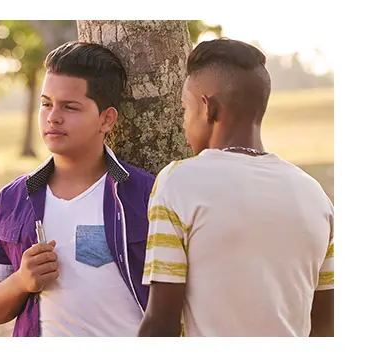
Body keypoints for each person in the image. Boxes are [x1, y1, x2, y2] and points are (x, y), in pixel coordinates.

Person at [138, 38, 334, 337]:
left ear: (208, 108)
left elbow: (160, 323)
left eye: (184, 108)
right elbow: (326, 326)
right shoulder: (315, 195)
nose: (184, 122)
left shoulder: (179, 182)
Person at [0, 41, 155, 337]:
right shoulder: (11, 201)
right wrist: (20, 281)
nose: (53, 117)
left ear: (106, 119)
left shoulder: (148, 197)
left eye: (70, 107)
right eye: (46, 104)